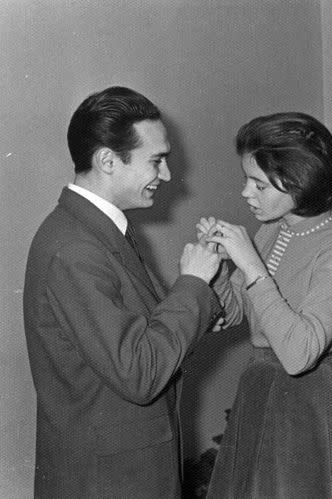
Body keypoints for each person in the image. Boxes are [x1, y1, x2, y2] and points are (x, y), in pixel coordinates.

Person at [22, 86, 223, 498]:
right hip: (110, 480)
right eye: (157, 161)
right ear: (108, 161)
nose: (166, 176)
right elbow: (140, 373)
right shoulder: (75, 248)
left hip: (123, 468)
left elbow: (139, 332)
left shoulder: (96, 230)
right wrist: (193, 286)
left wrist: (203, 299)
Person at [200, 112, 332, 498]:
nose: (246, 193)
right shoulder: (270, 231)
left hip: (309, 398)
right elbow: (235, 313)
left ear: (300, 182)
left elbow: (299, 353)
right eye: (247, 180)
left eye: (259, 185)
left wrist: (250, 265)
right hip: (261, 388)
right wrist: (218, 267)